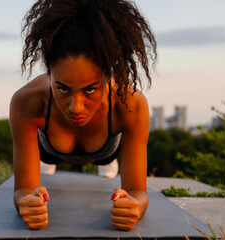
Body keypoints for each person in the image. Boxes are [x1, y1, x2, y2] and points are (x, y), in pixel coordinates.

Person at [10, 0, 157, 232]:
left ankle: (107, 162)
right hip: (49, 150)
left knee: (107, 162)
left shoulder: (130, 103)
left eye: (90, 89)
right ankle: (48, 163)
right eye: (62, 89)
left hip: (105, 150)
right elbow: (23, 189)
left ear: (109, 74)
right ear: (49, 73)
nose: (75, 108)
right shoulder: (27, 102)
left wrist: (134, 206)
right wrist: (26, 202)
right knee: (45, 163)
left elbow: (138, 192)